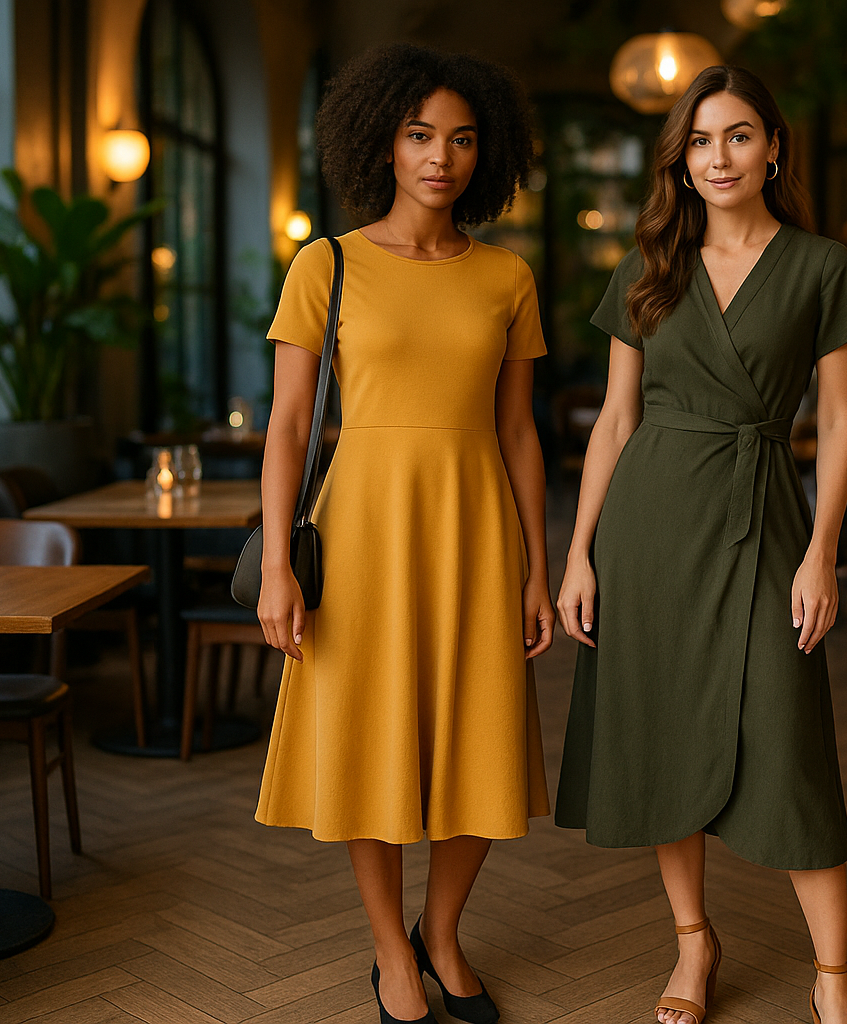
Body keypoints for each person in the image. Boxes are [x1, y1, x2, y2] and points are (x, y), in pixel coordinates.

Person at [554, 65, 847, 1024]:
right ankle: (693, 946)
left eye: (738, 135)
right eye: (698, 141)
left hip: (768, 512)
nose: (718, 157)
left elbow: (841, 421)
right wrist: (579, 554)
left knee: (790, 738)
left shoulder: (821, 265)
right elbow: (613, 423)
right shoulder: (648, 264)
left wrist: (822, 552)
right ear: (679, 160)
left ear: (774, 147)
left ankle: (834, 980)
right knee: (658, 736)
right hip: (649, 524)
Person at [253, 43, 554, 1024]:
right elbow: (289, 425)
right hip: (361, 533)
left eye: (463, 139)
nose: (441, 156)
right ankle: (390, 949)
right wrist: (274, 572)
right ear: (383, 141)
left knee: (480, 739)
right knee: (367, 740)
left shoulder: (508, 276)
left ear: (487, 154)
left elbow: (519, 432)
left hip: (475, 530)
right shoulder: (324, 264)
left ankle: (444, 930)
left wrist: (539, 570)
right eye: (421, 134)